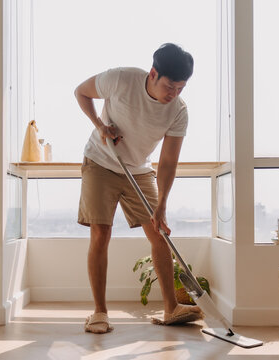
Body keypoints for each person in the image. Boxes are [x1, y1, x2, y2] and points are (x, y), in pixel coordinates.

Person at [74, 43, 203, 334]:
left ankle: (171, 308)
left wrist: (162, 205)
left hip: (139, 169)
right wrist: (99, 125)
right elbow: (80, 91)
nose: (174, 94)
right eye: (170, 86)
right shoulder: (121, 79)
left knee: (160, 233)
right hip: (101, 161)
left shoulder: (178, 111)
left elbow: (168, 162)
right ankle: (100, 312)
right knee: (101, 233)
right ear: (153, 73)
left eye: (181, 88)